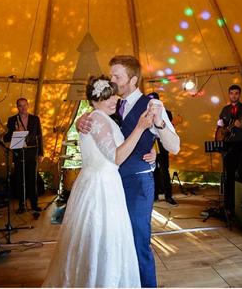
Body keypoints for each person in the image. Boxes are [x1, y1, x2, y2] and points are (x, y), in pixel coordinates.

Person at [77, 55, 180, 288]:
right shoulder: (110, 104)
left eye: (117, 76)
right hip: (109, 185)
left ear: (133, 79)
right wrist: (81, 121)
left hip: (137, 184)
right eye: (111, 75)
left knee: (137, 239)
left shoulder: (152, 105)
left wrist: (159, 126)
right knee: (114, 241)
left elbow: (174, 146)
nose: (112, 80)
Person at [44, 76, 156, 287]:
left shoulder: (103, 118)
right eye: (107, 97)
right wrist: (140, 128)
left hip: (106, 183)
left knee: (105, 239)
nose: (114, 99)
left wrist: (152, 151)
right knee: (100, 238)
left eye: (114, 94)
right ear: (94, 101)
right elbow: (116, 157)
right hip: (100, 188)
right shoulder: (95, 119)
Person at [216, 85, 242, 215]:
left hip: (241, 145)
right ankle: (229, 206)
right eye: (231, 93)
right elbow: (219, 127)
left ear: (240, 94)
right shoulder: (225, 110)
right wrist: (221, 134)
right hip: (228, 146)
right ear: (229, 94)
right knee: (229, 176)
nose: (234, 95)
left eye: (236, 93)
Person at [4, 98, 44, 213]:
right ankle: (21, 205)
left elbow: (39, 136)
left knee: (33, 179)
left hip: (32, 152)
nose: (23, 108)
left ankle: (34, 204)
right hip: (19, 153)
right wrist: (16, 132)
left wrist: (41, 153)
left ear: (28, 105)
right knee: (20, 179)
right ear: (17, 107)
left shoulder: (35, 119)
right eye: (20, 106)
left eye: (24, 105)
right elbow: (6, 138)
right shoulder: (12, 120)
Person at [148, 93, 177, 206]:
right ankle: (154, 195)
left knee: (165, 171)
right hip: (151, 146)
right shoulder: (145, 113)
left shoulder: (166, 113)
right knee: (153, 171)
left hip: (162, 145)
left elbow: (167, 128)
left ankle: (168, 196)